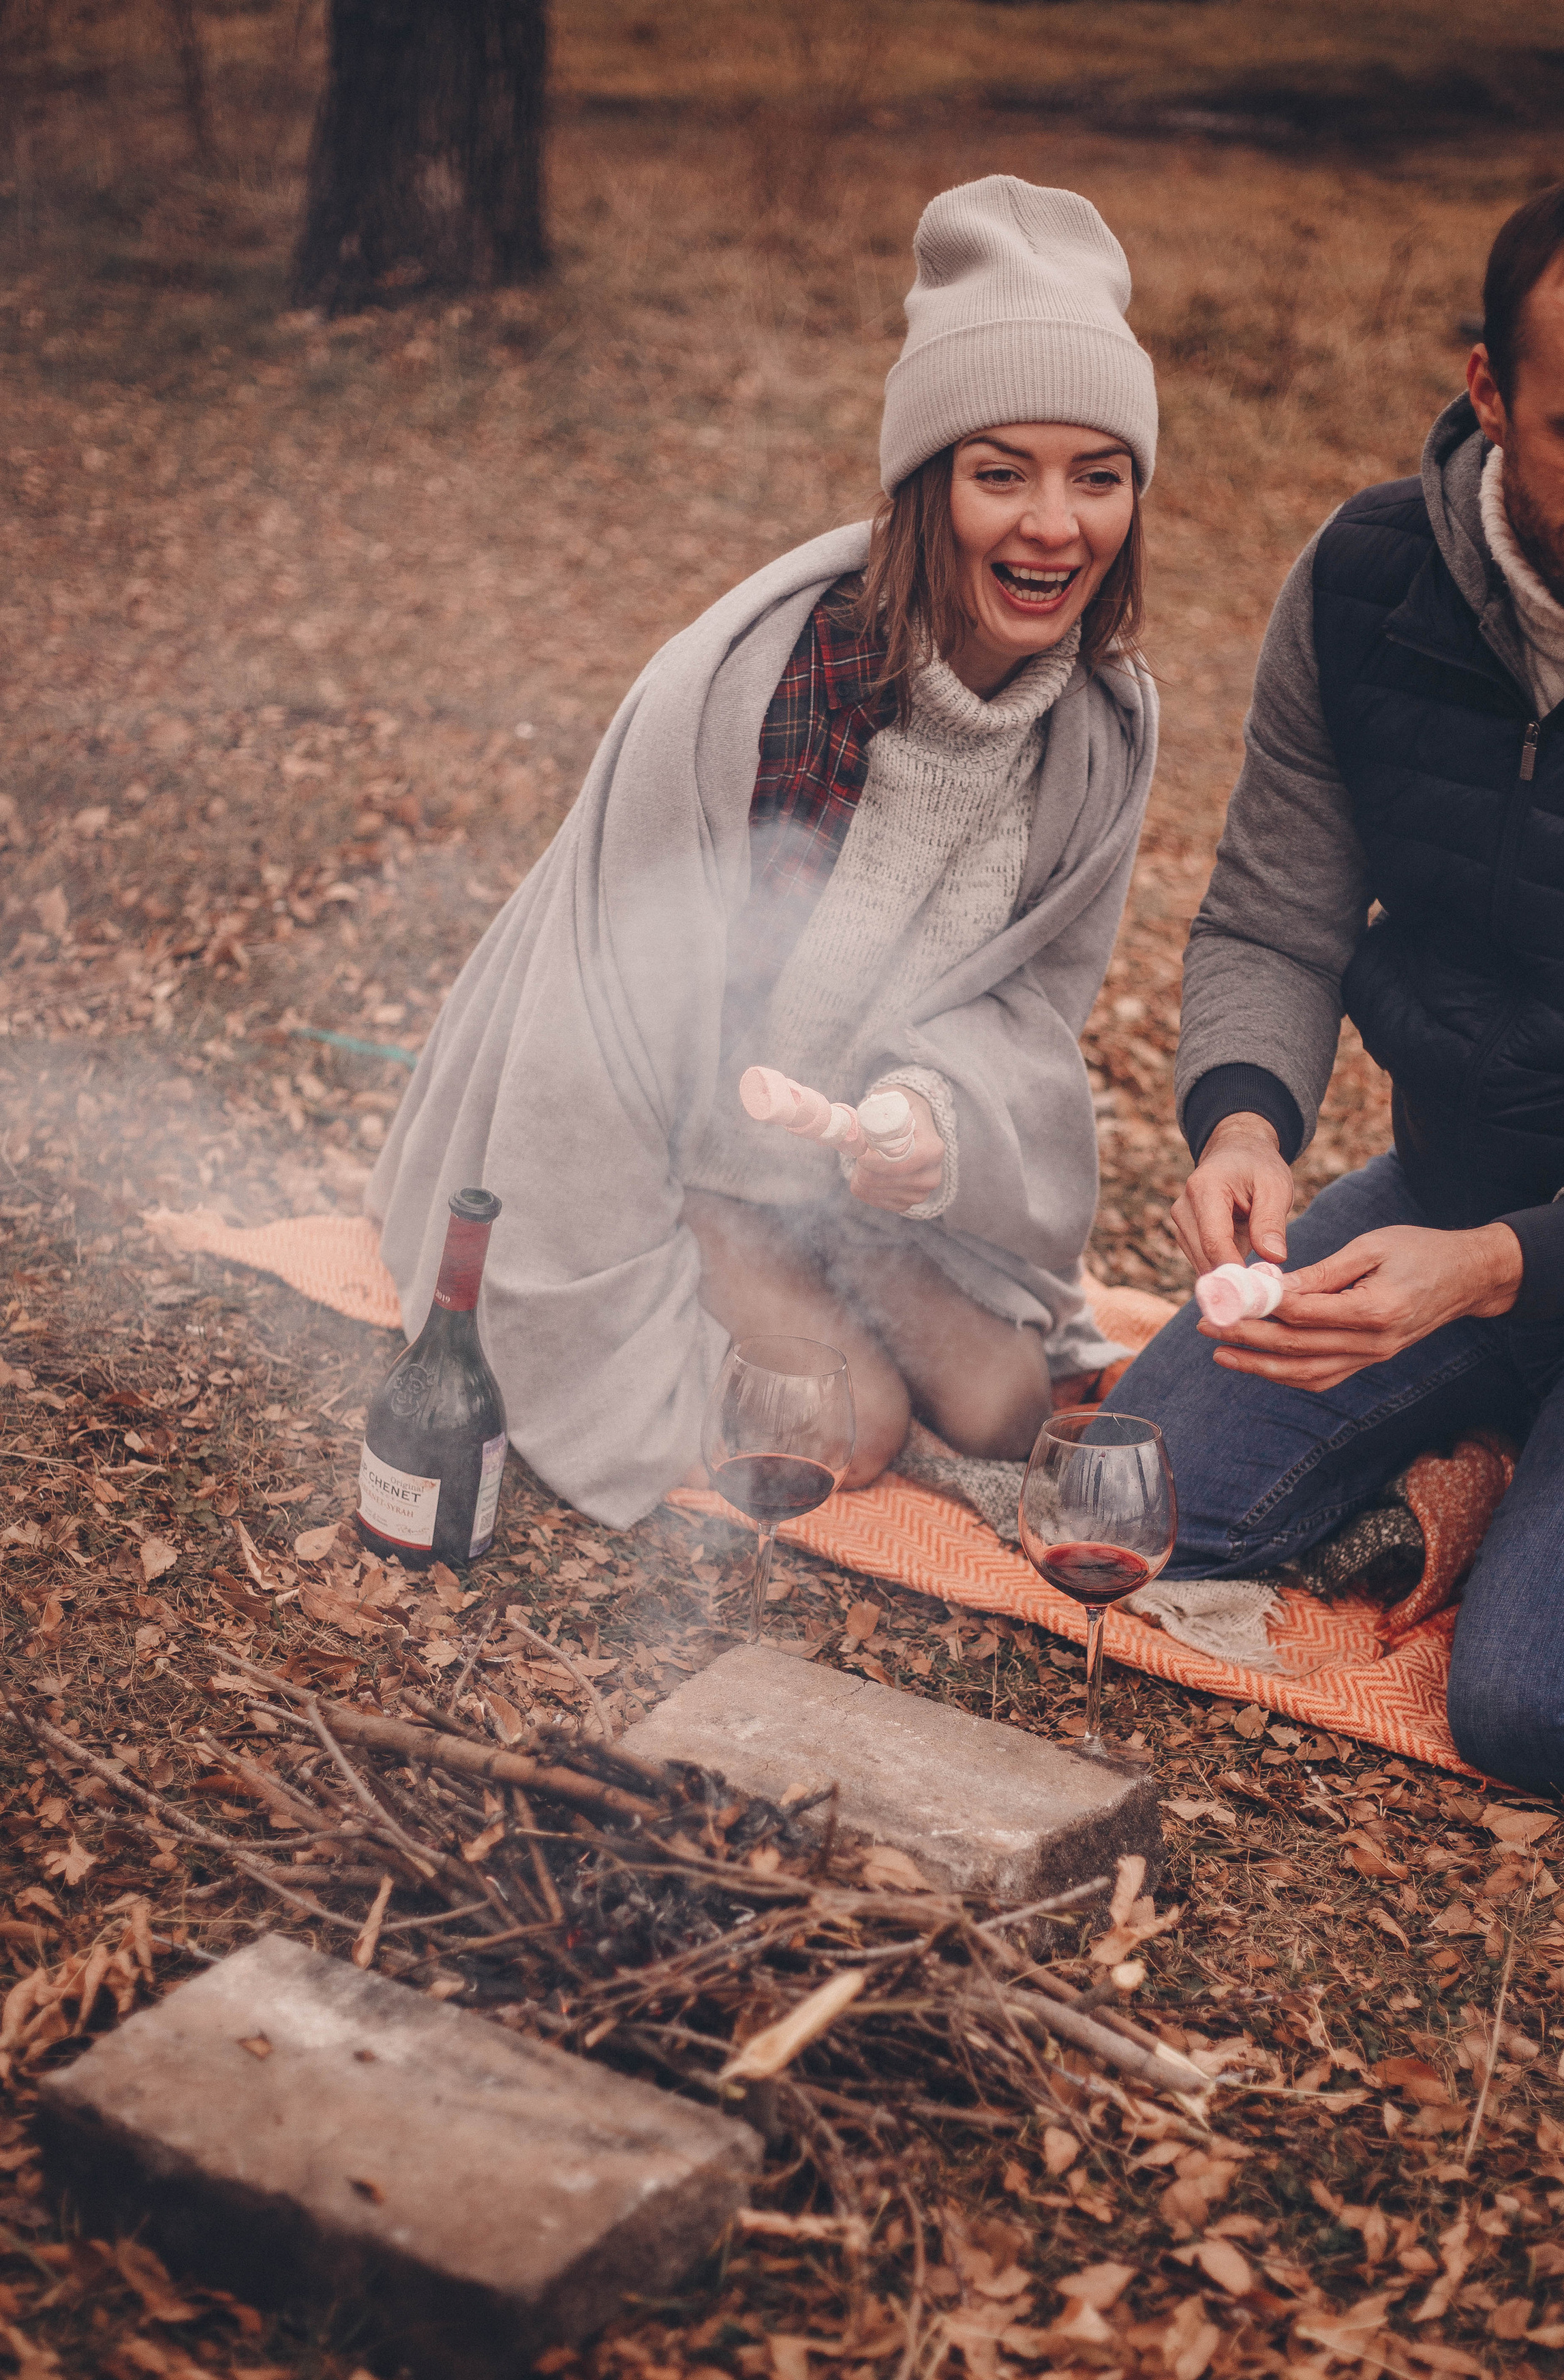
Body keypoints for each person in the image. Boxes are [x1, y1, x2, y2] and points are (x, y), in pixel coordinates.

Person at [368, 176, 1160, 1527]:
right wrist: (709, 1190)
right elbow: (606, 1003)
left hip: (855, 1169)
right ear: (924, 484)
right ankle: (741, 1259)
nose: (1052, 525)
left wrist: (929, 1118)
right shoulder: (763, 683)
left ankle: (837, 1262)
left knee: (1004, 1405)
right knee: (843, 1425)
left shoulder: (1097, 723)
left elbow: (1027, 1004)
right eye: (999, 473)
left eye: (1097, 477)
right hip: (679, 1142)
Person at [1109, 162, 1564, 1799]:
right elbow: (1268, 916)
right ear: (1489, 392)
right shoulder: (1363, 579)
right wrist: (1242, 1126)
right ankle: (1527, 1441)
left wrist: (1489, 1272)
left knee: (1554, 1711)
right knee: (1135, 1511)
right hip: (1452, 1187)